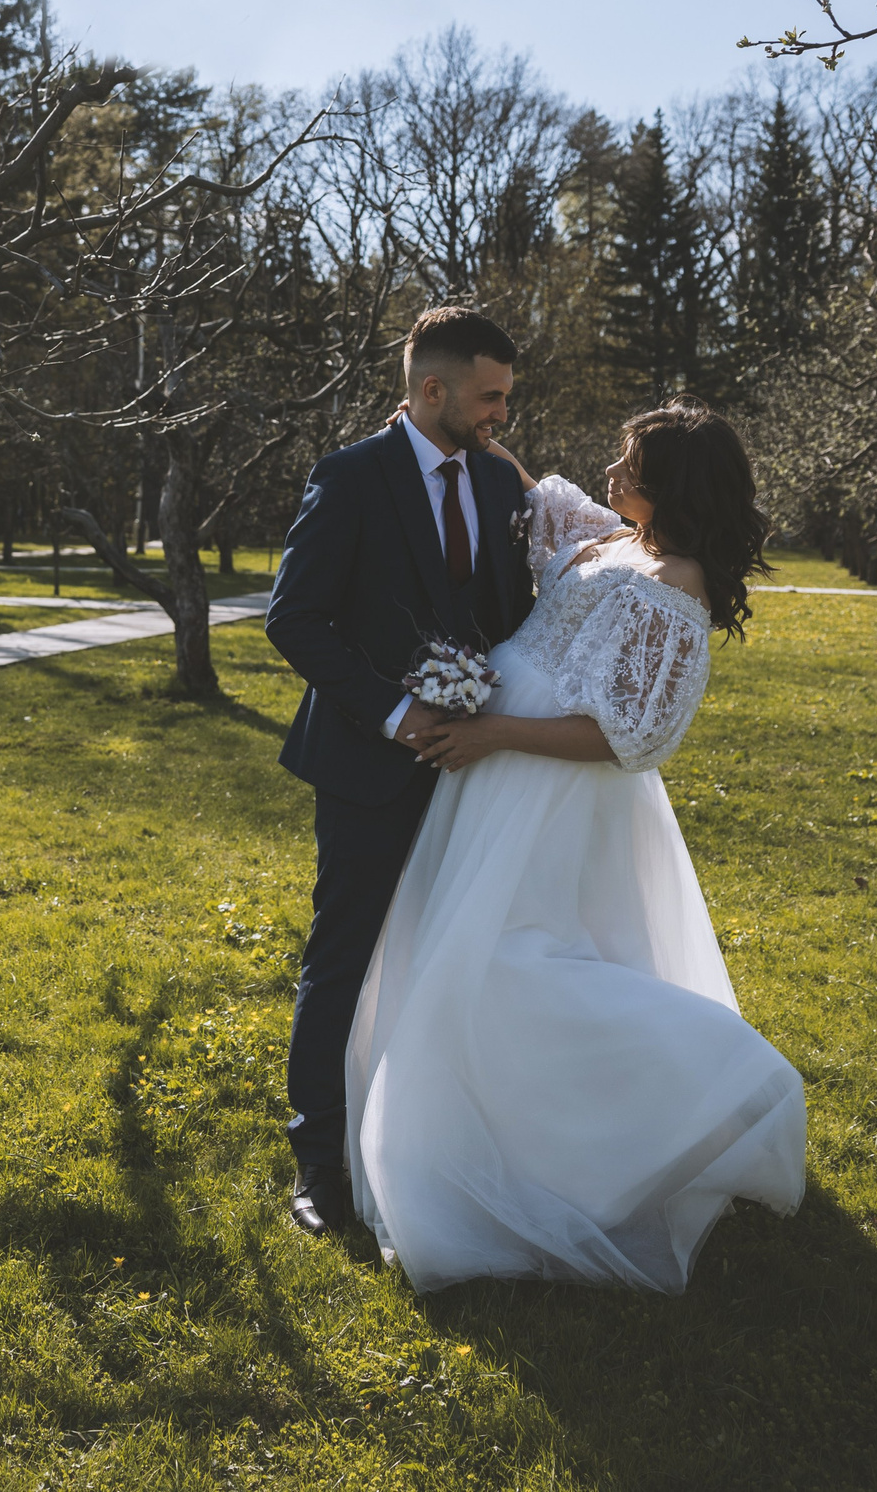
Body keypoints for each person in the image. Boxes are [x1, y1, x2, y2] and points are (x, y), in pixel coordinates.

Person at [353, 398, 806, 1293]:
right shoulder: (614, 540)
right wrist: (473, 433)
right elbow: (540, 497)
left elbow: (627, 734)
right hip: (495, 788)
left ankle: (722, 1075)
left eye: (630, 462)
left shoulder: (675, 584)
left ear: (667, 484)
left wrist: (496, 737)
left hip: (549, 793)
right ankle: (494, 1141)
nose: (611, 471)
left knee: (514, 960)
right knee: (463, 952)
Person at [263, 305, 536, 1239]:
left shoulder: (502, 483)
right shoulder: (350, 479)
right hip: (367, 768)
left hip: (479, 775)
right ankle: (320, 1165)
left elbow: (510, 615)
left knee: (460, 958)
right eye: (490, 396)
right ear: (432, 390)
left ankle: (436, 1138)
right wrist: (395, 709)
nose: (503, 413)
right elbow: (293, 620)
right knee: (342, 960)